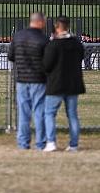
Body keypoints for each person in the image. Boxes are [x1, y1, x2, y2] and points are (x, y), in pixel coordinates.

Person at [42, 16, 86, 152]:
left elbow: (46, 65)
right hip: (73, 83)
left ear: (57, 27)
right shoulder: (77, 43)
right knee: (72, 114)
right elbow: (81, 57)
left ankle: (51, 142)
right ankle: (74, 144)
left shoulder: (53, 44)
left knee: (49, 113)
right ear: (68, 26)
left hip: (56, 83)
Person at [7, 12, 48, 151]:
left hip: (22, 79)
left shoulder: (18, 36)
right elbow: (48, 61)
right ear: (40, 22)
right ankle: (40, 143)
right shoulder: (43, 39)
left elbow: (11, 56)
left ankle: (23, 143)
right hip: (38, 79)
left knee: (23, 113)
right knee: (39, 112)